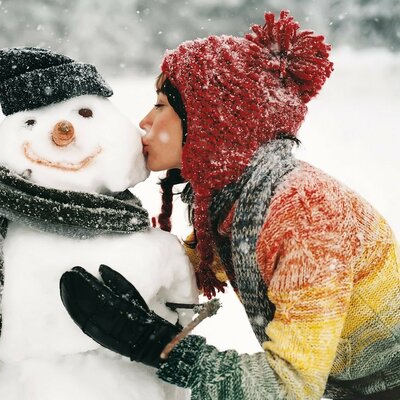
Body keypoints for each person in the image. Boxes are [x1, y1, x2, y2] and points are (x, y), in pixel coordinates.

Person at [59, 10, 400, 400]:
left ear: (212, 120)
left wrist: (156, 345)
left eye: (160, 104)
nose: (144, 121)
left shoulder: (304, 215)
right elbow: (183, 262)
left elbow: (287, 388)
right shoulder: (237, 203)